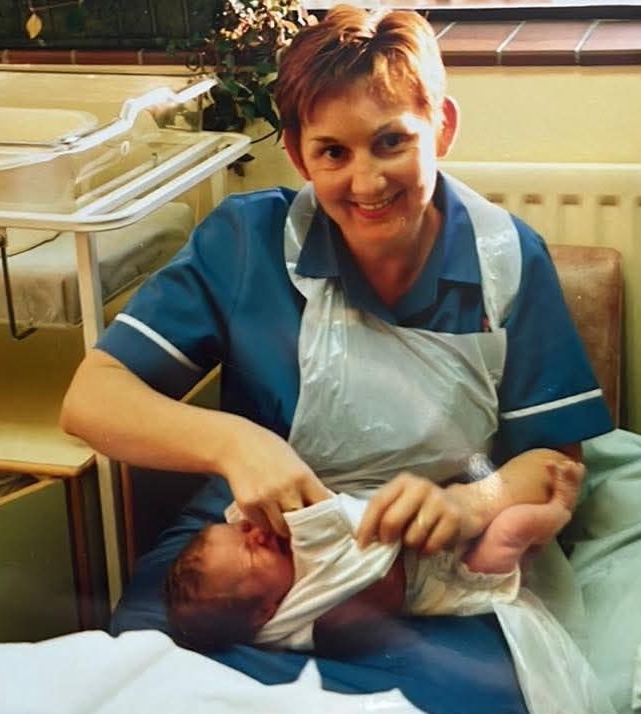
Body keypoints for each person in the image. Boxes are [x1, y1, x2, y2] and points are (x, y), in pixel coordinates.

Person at [60, 2, 612, 652]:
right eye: (332, 152)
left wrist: (471, 505)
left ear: (441, 127)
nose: (366, 181)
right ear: (296, 154)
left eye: (391, 141)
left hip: (427, 557)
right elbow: (91, 399)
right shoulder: (246, 244)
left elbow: (556, 460)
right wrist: (236, 447)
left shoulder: (506, 261)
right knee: (151, 676)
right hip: (253, 543)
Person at [165, 448, 584, 652]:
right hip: (458, 574)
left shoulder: (274, 545)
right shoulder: (300, 619)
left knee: (516, 496)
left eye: (241, 532)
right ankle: (557, 513)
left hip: (458, 496)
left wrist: (469, 502)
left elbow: (552, 456)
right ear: (265, 612)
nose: (255, 535)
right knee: (512, 530)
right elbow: (368, 587)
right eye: (251, 554)